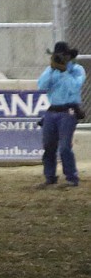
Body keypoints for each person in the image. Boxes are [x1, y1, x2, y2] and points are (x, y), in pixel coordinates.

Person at [36, 42, 84, 188]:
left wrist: (63, 72)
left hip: (68, 111)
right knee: (48, 146)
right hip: (52, 111)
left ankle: (71, 177)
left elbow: (75, 87)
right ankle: (50, 177)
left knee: (64, 147)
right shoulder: (51, 70)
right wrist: (52, 69)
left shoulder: (77, 70)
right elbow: (41, 86)